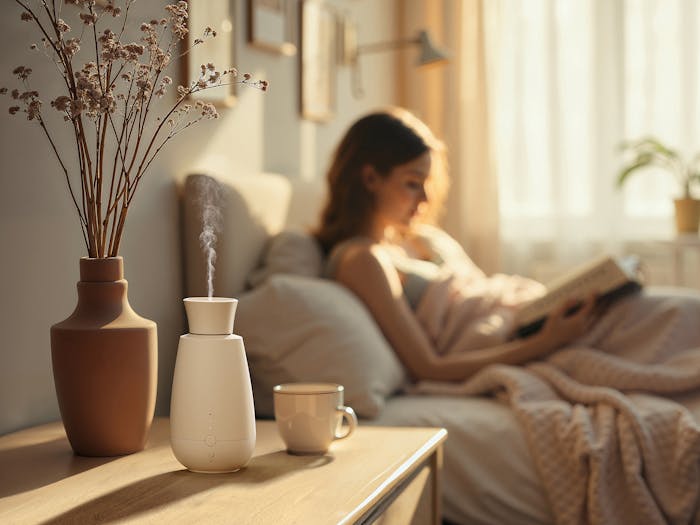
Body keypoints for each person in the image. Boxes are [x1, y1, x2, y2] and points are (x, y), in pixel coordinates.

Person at [313, 107, 603, 382]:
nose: (426, 199)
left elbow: (479, 290)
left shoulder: (418, 239)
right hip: (520, 335)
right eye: (413, 183)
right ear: (370, 178)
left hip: (522, 314)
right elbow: (428, 367)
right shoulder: (362, 258)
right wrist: (547, 341)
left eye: (427, 183)